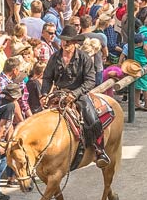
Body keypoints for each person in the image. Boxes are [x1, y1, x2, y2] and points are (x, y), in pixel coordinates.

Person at [40, 26, 108, 167]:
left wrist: (75, 94)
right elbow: (47, 78)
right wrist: (44, 94)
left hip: (79, 94)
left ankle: (99, 149)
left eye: (69, 42)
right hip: (58, 93)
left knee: (92, 118)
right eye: (64, 41)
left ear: (76, 43)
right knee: (39, 117)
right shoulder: (55, 57)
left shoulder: (84, 58)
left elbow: (90, 81)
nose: (66, 44)